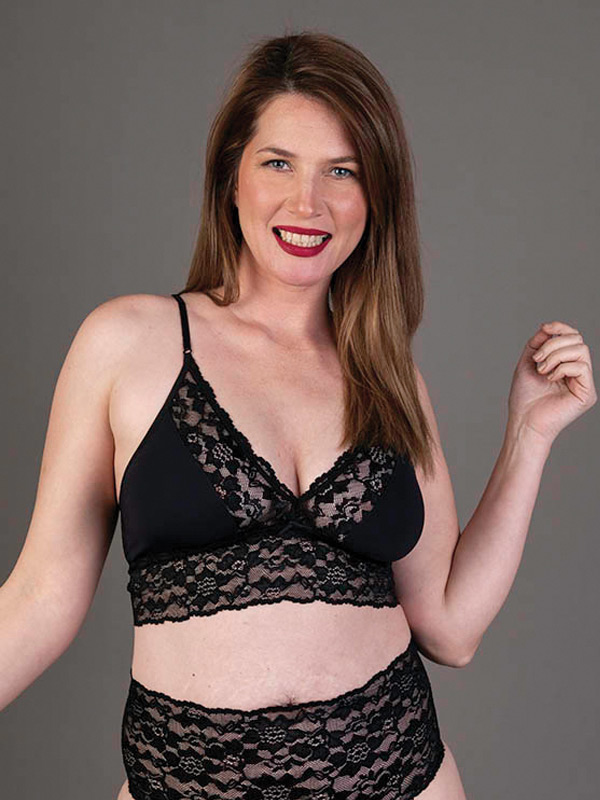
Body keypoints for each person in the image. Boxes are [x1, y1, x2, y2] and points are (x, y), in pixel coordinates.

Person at [1, 30, 596, 800]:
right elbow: (40, 601)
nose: (306, 203)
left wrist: (529, 434)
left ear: (375, 196)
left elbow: (451, 628)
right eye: (277, 163)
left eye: (341, 171)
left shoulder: (389, 378)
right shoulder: (128, 343)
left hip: (401, 778)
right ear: (231, 178)